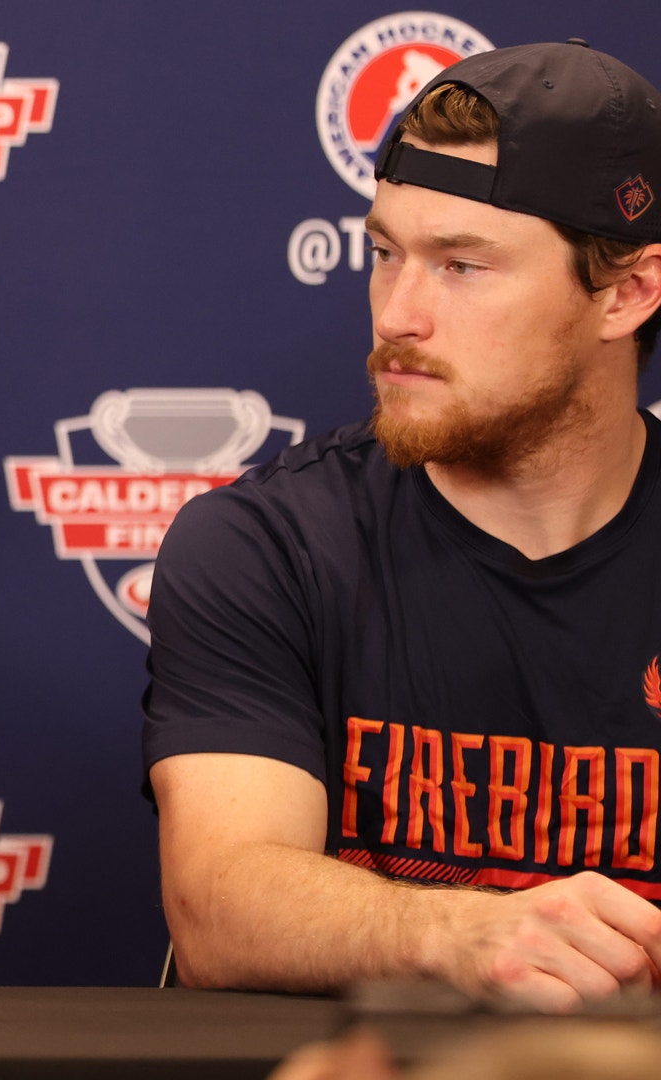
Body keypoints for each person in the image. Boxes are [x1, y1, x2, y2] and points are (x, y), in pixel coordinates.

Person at [143, 40, 661, 1013]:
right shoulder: (269, 543)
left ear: (626, 293)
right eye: (385, 253)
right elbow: (220, 904)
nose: (399, 314)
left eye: (464, 265)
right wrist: (465, 932)